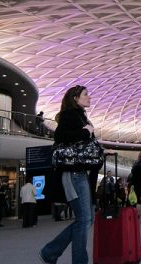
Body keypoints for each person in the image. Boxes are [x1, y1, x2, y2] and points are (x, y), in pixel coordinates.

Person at [40, 85, 100, 264]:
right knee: (84, 219)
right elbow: (60, 136)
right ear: (75, 98)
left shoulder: (81, 116)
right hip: (73, 172)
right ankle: (59, 254)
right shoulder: (70, 115)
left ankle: (51, 252)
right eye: (85, 94)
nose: (89, 97)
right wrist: (85, 131)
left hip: (79, 172)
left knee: (85, 219)